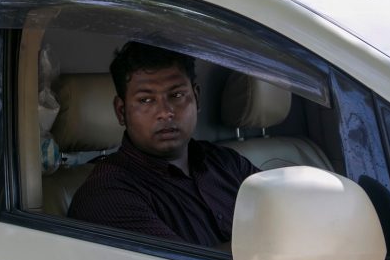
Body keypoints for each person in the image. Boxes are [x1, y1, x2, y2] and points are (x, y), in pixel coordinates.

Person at [68, 41, 259, 247]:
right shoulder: (106, 195)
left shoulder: (227, 163)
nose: (165, 112)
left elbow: (287, 213)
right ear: (121, 112)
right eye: (146, 100)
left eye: (176, 95)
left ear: (196, 97)